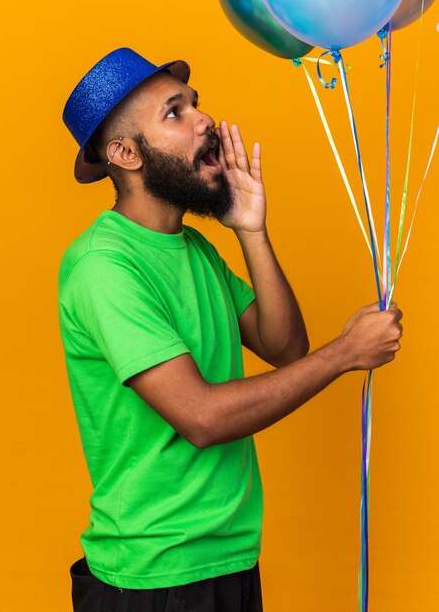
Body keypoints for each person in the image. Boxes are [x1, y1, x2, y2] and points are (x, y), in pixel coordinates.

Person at [60, 48, 403, 612]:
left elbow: (285, 348)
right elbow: (201, 417)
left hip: (229, 560)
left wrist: (251, 229)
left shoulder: (193, 249)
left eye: (196, 105)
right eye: (175, 113)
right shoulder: (104, 266)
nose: (205, 121)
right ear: (124, 152)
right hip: (152, 579)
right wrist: (345, 354)